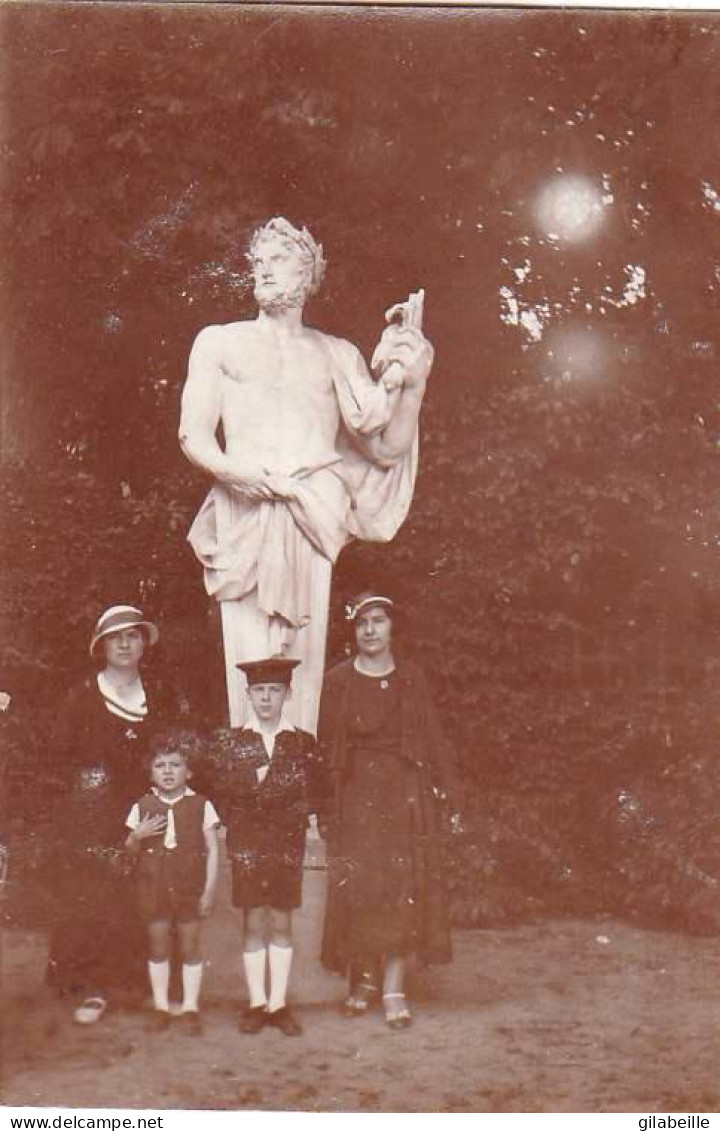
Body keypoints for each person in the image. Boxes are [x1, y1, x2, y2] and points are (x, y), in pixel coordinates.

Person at [179, 217, 434, 734]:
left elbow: (386, 447)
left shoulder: (335, 354)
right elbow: (194, 436)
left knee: (304, 658)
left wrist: (413, 384)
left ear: (309, 271)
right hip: (244, 511)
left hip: (312, 512)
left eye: (279, 259)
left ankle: (300, 784)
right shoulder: (220, 343)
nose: (263, 269)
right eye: (258, 260)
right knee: (247, 657)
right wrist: (241, 475)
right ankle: (250, 781)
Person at [318, 591, 460, 1030]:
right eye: (362, 623)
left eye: (378, 621)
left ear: (392, 627)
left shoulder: (410, 678)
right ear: (352, 630)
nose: (371, 630)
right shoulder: (338, 680)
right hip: (356, 795)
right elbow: (326, 746)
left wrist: (448, 792)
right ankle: (364, 980)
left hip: (403, 794)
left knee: (400, 888)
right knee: (360, 886)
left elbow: (434, 738)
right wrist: (324, 805)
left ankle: (395, 986)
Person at [46, 604, 188, 1024]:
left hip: (150, 810)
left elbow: (176, 752)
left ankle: (145, 987)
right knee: (98, 896)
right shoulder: (82, 696)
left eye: (133, 635)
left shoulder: (160, 694)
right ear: (101, 646)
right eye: (115, 637)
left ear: (144, 642)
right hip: (96, 814)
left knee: (149, 897)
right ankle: (94, 989)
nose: (125, 644)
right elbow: (61, 760)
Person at [208, 655, 318, 1037]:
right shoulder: (233, 741)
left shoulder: (301, 742)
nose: (266, 698)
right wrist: (251, 795)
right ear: (248, 695)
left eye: (274, 690)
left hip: (287, 841)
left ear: (287, 694)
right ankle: (257, 1003)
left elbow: (311, 794)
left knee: (282, 921)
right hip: (248, 842)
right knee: (254, 919)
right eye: (259, 690)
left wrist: (281, 801)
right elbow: (222, 795)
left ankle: (279, 1004)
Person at [125, 728, 220, 1034]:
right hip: (152, 888)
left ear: (189, 771)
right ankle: (162, 1007)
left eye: (175, 765)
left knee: (190, 944)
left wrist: (208, 891)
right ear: (150, 773)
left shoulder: (201, 805)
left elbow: (213, 849)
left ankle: (190, 1007)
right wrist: (137, 836)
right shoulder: (141, 806)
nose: (167, 771)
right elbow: (128, 850)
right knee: (158, 944)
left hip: (188, 888)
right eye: (160, 765)